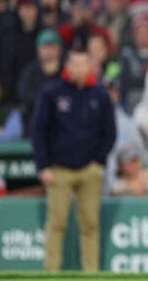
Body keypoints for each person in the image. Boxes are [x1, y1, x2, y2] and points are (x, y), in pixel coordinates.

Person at [30, 48, 116, 271]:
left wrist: (98, 162)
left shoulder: (100, 94)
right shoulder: (52, 93)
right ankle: (50, 272)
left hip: (90, 169)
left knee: (90, 225)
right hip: (58, 169)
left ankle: (91, 273)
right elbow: (39, 130)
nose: (79, 68)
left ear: (90, 66)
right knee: (56, 224)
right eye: (75, 63)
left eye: (83, 63)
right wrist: (43, 166)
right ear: (67, 66)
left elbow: (110, 132)